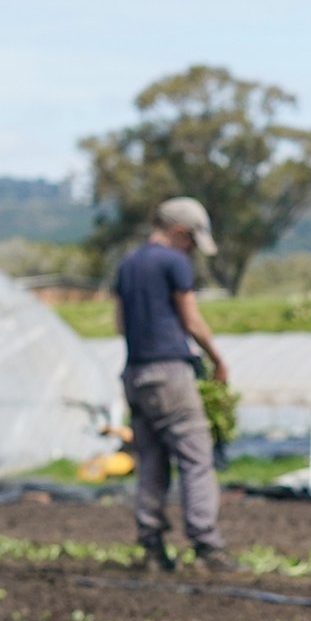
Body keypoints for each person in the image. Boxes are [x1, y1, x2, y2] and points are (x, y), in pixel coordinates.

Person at [113, 196, 235, 571]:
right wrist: (217, 360)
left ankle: (151, 546)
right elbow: (192, 320)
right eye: (191, 242)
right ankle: (206, 546)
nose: (191, 250)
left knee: (151, 459)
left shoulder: (127, 264)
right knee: (197, 458)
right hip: (170, 371)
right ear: (180, 232)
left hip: (135, 372)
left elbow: (120, 323)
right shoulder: (174, 262)